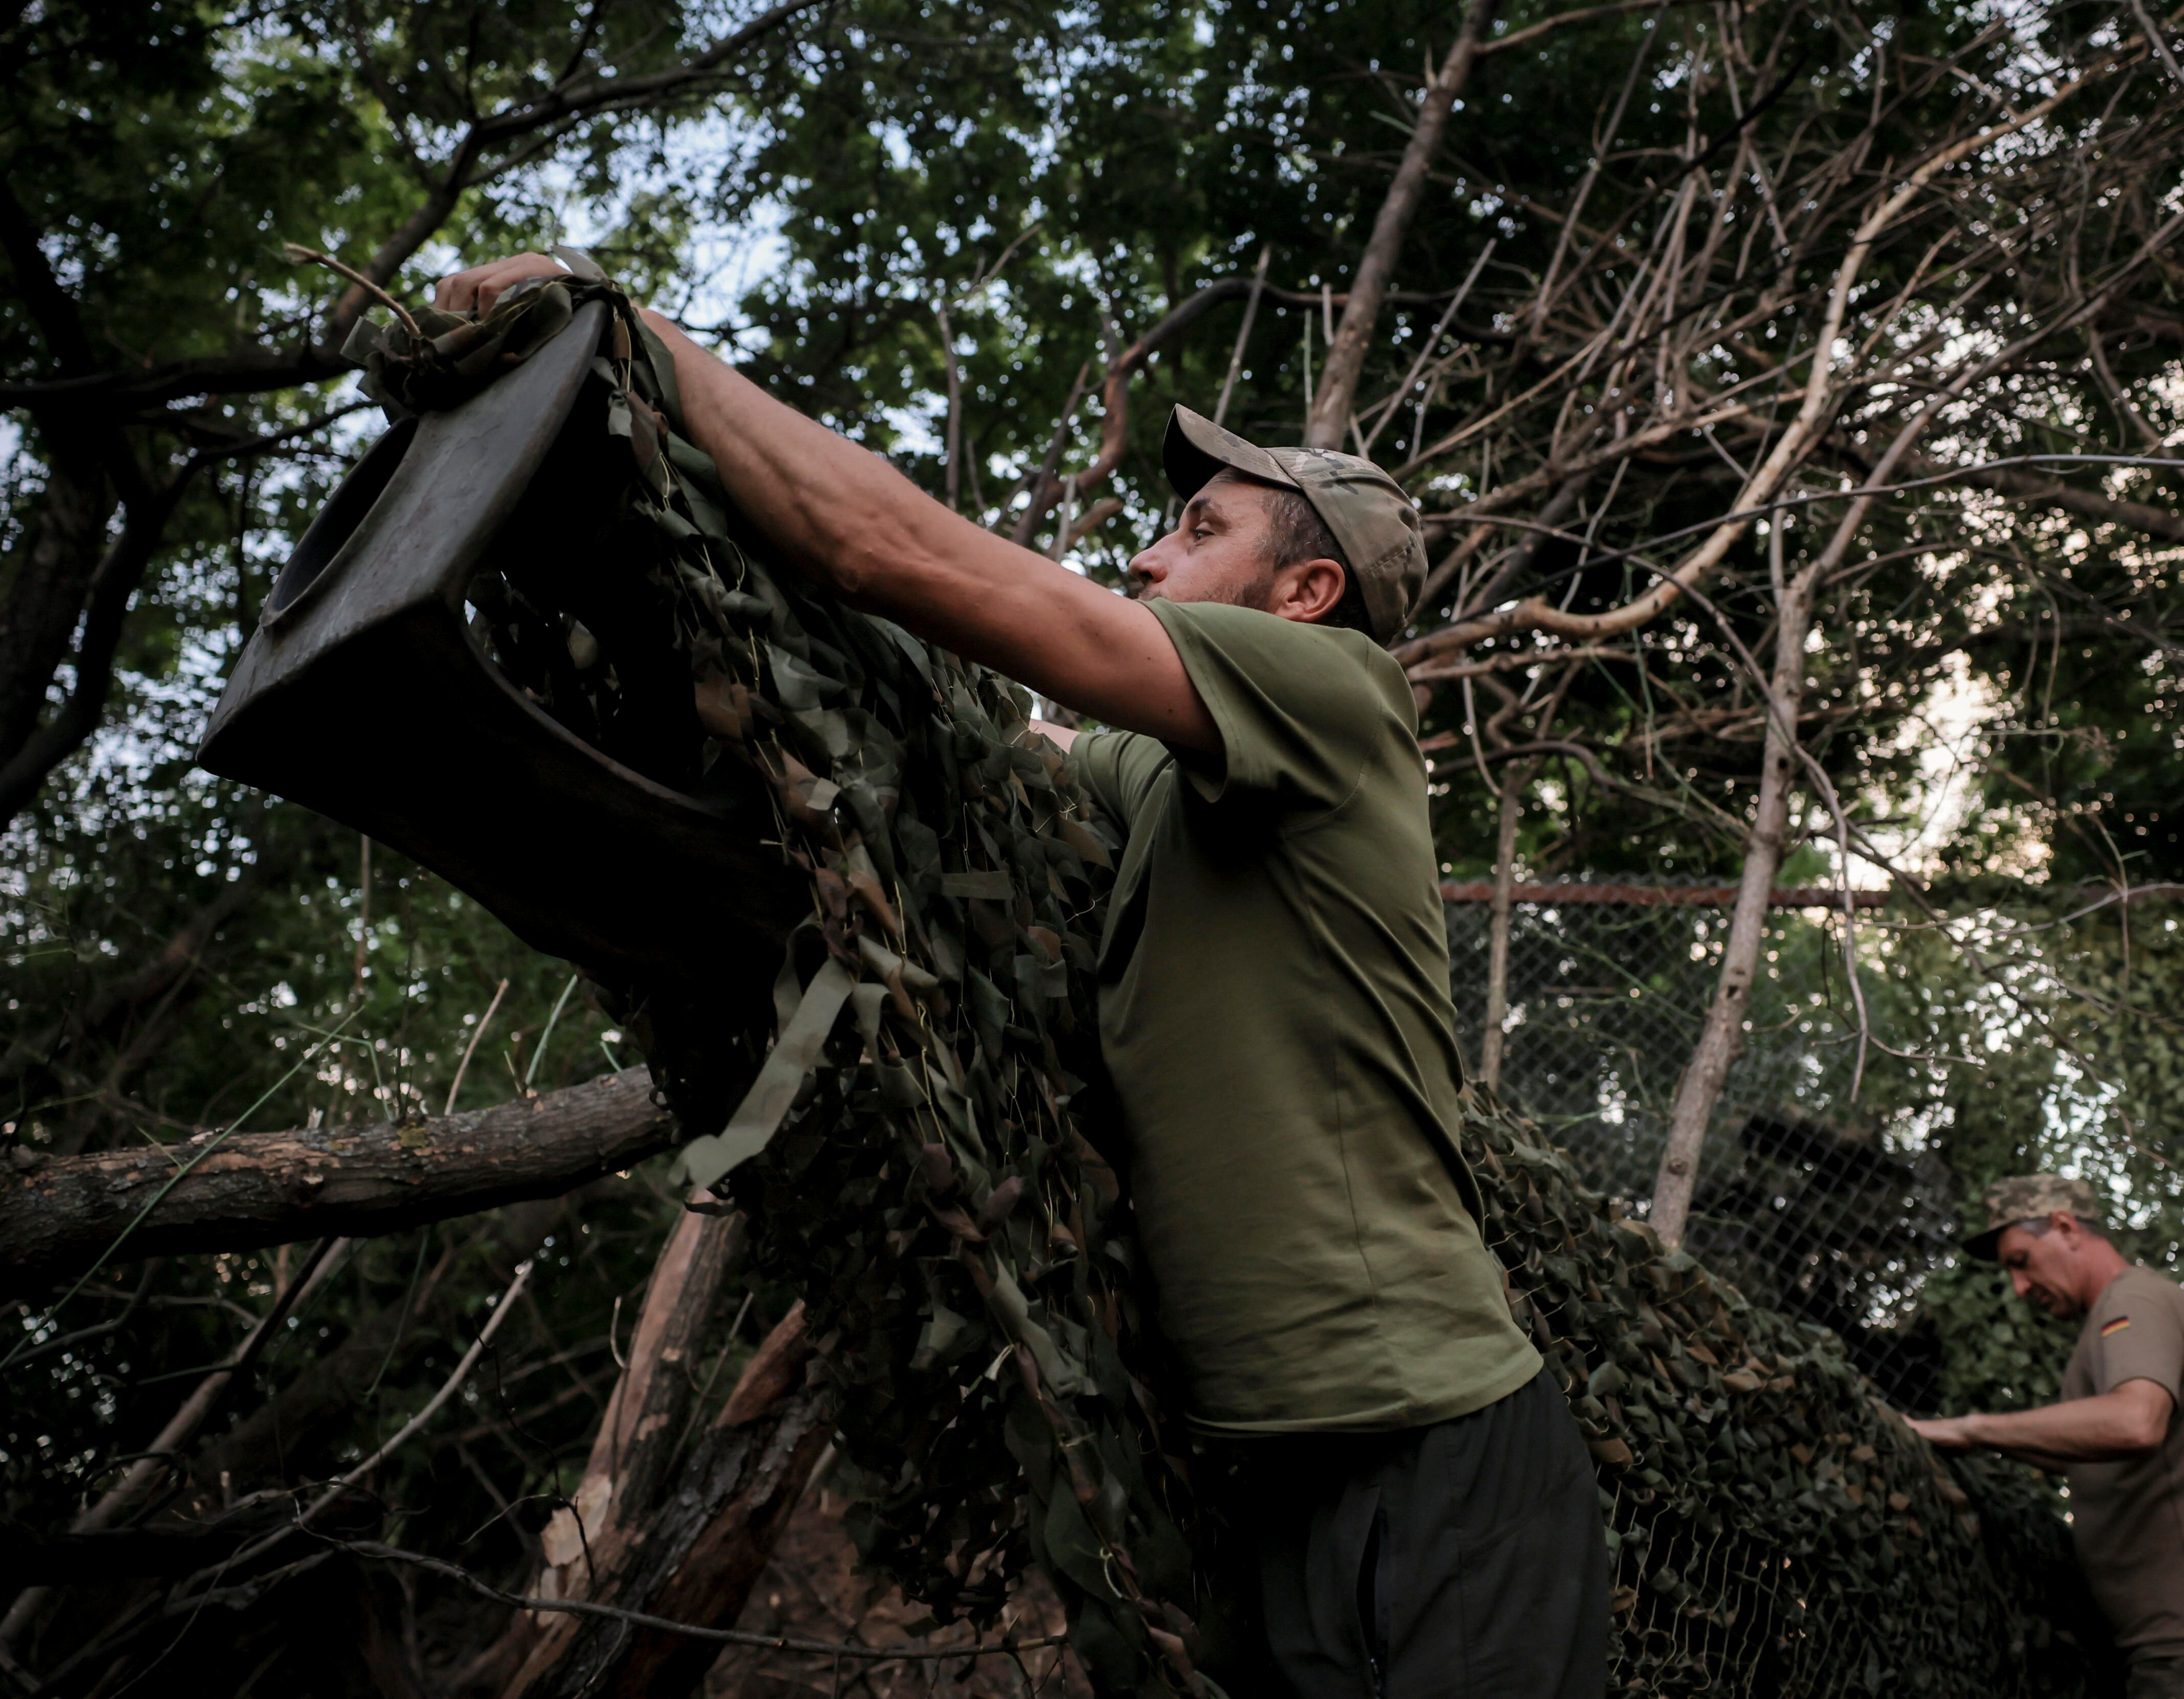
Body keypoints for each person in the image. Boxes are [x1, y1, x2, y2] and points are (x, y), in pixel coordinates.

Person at [433, 255, 1611, 1697]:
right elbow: (999, 743)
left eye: (1197, 530)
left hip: (1434, 1444)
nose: (1147, 559)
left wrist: (635, 342)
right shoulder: (1178, 780)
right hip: (1275, 1472)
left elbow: (914, 563)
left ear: (1306, 592)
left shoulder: (1338, 696)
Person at [1908, 1175, 2184, 1699]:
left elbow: (2133, 1423)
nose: (2019, 1287)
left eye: (2020, 1261)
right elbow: (2090, 1453)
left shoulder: (2130, 1304)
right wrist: (1980, 1443)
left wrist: (1969, 1427)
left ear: (2065, 1228)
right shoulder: (2119, 1316)